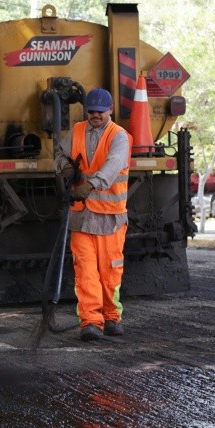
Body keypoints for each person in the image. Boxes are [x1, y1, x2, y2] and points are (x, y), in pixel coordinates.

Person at [55, 87, 131, 342]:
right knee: (85, 272)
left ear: (110, 110)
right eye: (91, 111)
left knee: (110, 272)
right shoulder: (77, 131)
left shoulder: (119, 136)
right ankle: (90, 322)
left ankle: (112, 318)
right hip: (81, 216)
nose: (95, 115)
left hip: (110, 217)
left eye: (100, 112)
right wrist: (65, 167)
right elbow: (60, 153)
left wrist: (92, 184)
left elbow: (114, 164)